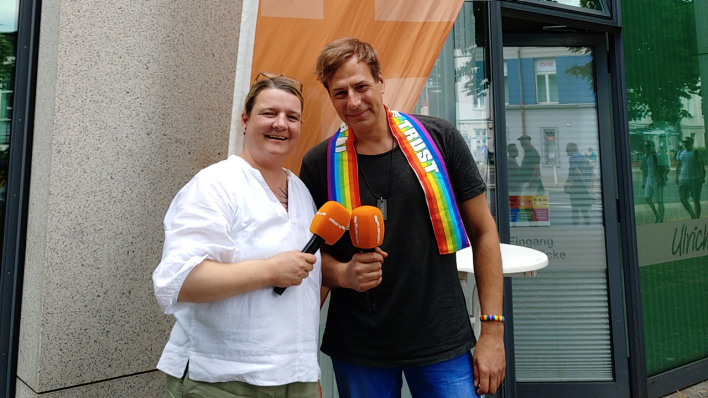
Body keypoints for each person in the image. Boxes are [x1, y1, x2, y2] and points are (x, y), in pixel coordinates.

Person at [299, 37, 505, 398]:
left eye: (361, 86)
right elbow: (310, 259)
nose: (353, 102)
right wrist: (343, 274)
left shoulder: (440, 138)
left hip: (440, 339)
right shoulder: (319, 163)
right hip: (359, 346)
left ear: (381, 82)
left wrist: (492, 332)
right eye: (340, 93)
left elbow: (484, 232)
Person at [153, 74, 322, 398]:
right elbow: (180, 280)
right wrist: (270, 271)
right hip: (223, 379)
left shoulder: (300, 191)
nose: (281, 124)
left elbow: (304, 293)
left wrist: (306, 371)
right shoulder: (216, 184)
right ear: (245, 121)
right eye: (269, 113)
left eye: (292, 117)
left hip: (293, 378)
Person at [675, 136, 705, 219]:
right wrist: (676, 177)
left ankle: (697, 217)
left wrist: (702, 177)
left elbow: (701, 166)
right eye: (684, 142)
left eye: (687, 142)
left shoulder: (696, 153)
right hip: (684, 179)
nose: (685, 144)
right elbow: (678, 166)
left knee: (696, 199)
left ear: (691, 143)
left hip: (695, 179)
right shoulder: (681, 153)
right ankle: (692, 214)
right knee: (682, 198)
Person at [564, 142, 592, 225]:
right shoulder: (583, 157)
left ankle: (575, 227)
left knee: (575, 209)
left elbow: (576, 172)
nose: (566, 151)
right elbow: (588, 171)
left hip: (576, 186)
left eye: (567, 149)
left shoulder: (573, 158)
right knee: (584, 210)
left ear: (572, 149)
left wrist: (568, 184)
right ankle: (588, 226)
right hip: (584, 187)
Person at [640, 140, 666, 223]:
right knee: (647, 198)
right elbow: (644, 170)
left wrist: (661, 178)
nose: (647, 147)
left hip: (657, 180)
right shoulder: (645, 157)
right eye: (645, 146)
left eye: (648, 145)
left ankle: (661, 218)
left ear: (652, 146)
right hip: (649, 179)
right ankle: (656, 215)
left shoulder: (658, 156)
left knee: (659, 200)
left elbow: (665, 169)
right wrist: (643, 181)